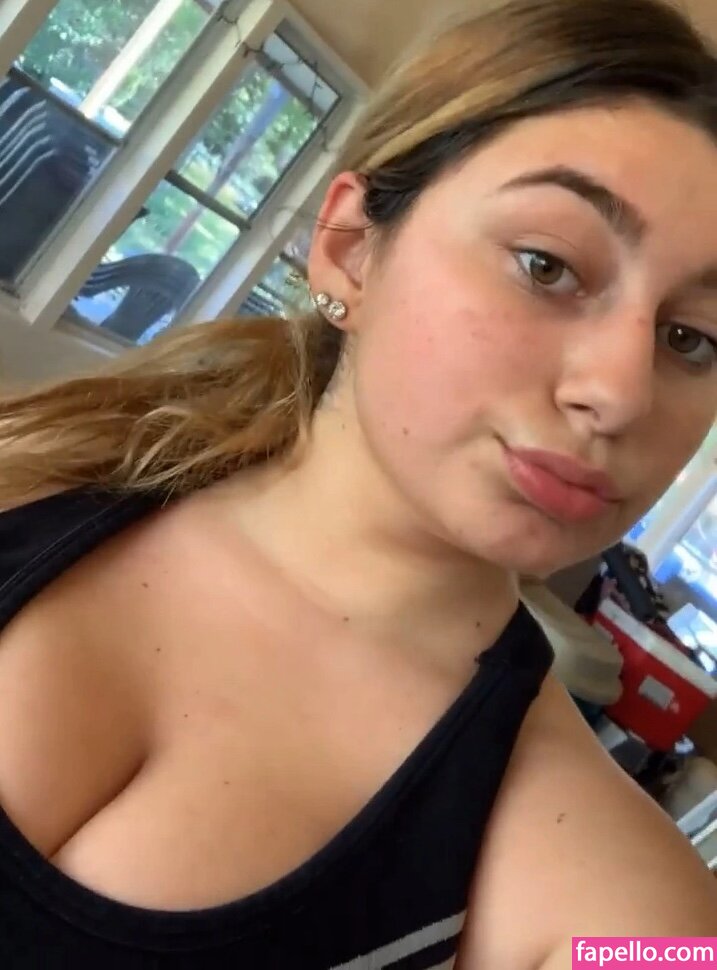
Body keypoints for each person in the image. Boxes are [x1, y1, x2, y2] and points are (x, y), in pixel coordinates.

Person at [0, 0, 716, 965]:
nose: (619, 393)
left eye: (691, 339)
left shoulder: (638, 919)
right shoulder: (35, 466)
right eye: (545, 265)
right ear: (350, 247)